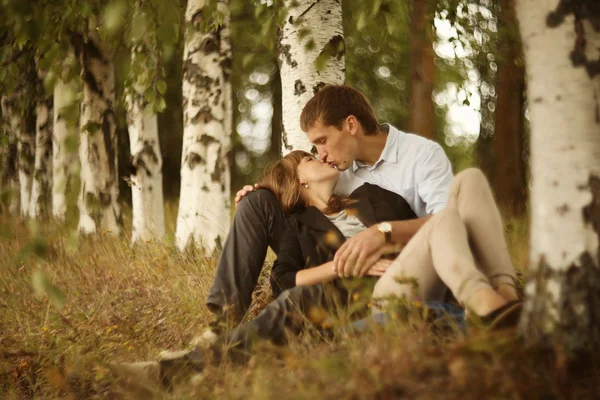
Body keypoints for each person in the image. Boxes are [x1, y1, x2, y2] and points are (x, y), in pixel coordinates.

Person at [110, 150, 520, 391]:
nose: (320, 155)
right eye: (309, 156)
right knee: (298, 301)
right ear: (297, 180)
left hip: (421, 271)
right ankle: (176, 369)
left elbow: (437, 228)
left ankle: (501, 303)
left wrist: (384, 234)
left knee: (461, 192)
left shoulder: (373, 197)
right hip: (380, 295)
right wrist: (341, 266)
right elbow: (286, 282)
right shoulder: (300, 225)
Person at [206, 85, 460, 329]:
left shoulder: (421, 155)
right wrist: (261, 194)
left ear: (350, 125)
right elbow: (303, 203)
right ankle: (224, 322)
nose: (321, 155)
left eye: (322, 141)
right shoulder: (338, 170)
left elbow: (447, 223)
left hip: (403, 261)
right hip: (335, 260)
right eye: (314, 150)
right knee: (256, 203)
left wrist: (383, 232)